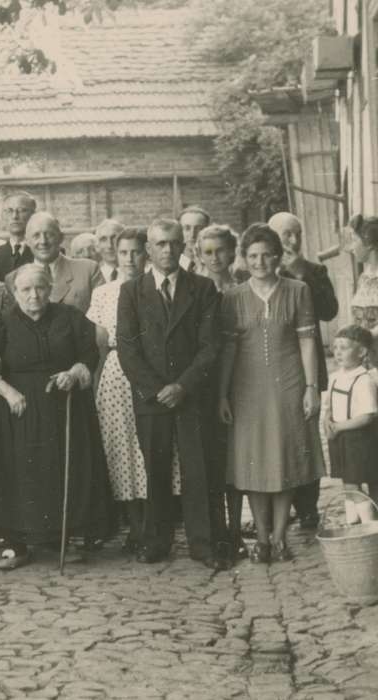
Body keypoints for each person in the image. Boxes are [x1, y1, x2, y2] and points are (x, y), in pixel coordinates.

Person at [0, 264, 113, 570]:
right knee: (20, 471)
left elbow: (89, 354)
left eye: (39, 288)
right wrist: (7, 390)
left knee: (61, 469)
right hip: (18, 409)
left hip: (62, 405)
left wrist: (73, 373)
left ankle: (61, 537)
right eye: (25, 289)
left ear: (50, 288)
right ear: (14, 292)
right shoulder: (1, 322)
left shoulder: (71, 318)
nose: (33, 295)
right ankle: (17, 544)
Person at [117, 218, 227, 569]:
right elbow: (127, 347)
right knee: (156, 468)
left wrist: (183, 386)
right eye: (160, 244)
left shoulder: (203, 288)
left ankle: (204, 544)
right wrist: (155, 389)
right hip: (152, 399)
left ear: (184, 247)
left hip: (192, 394)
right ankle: (156, 542)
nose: (167, 250)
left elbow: (211, 346)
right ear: (148, 249)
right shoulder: (132, 292)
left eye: (173, 243)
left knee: (199, 470)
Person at [218, 224, 324, 563]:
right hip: (246, 388)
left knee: (284, 458)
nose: (260, 262)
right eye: (252, 256)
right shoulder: (233, 297)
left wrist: (311, 387)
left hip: (288, 382)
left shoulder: (298, 290)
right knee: (252, 463)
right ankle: (261, 539)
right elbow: (228, 351)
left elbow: (307, 341)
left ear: (277, 256)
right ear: (244, 259)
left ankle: (279, 537)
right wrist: (222, 394)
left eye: (266, 254)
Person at [87, 228, 181, 551]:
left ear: (148, 254)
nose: (129, 259)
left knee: (149, 450)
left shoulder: (154, 287)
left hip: (151, 373)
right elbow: (100, 346)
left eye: (136, 252)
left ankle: (155, 522)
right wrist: (97, 382)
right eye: (123, 252)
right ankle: (134, 525)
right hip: (116, 375)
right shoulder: (103, 293)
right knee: (121, 449)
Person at [270, 212, 339, 531]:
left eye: (297, 233)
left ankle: (308, 507)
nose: (293, 241)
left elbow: (329, 311)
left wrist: (303, 275)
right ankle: (278, 507)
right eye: (285, 235)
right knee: (277, 437)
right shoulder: (259, 269)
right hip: (272, 370)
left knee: (306, 438)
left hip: (307, 368)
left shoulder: (315, 270)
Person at [195, 224, 248, 556]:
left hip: (240, 377)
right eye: (208, 252)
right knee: (210, 457)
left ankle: (235, 527)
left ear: (233, 252)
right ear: (199, 255)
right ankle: (215, 529)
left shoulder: (242, 288)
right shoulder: (194, 289)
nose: (215, 258)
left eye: (221, 251)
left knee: (236, 455)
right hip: (204, 379)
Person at [322, 325, 378, 525]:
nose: (337, 352)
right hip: (340, 438)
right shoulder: (335, 378)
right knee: (347, 484)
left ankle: (371, 526)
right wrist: (327, 419)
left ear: (362, 352)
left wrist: (339, 427)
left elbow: (368, 416)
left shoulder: (364, 380)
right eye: (335, 347)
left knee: (358, 483)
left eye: (344, 347)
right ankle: (353, 524)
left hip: (360, 439)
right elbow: (328, 405)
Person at [5, 212, 103, 313]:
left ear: (61, 238)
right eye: (36, 236)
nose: (43, 241)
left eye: (49, 234)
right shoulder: (13, 278)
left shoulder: (87, 270)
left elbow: (102, 316)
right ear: (27, 241)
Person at [0, 194, 34, 281]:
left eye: (22, 210)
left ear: (33, 214)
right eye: (10, 211)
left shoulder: (45, 252)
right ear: (3, 216)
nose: (15, 216)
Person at [348, 215, 378, 361]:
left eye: (354, 240)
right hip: (364, 357)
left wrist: (369, 336)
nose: (351, 247)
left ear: (369, 243)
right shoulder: (363, 279)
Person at [179, 206, 210, 271]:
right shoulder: (172, 264)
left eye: (199, 229)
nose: (192, 234)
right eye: (187, 228)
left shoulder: (214, 264)